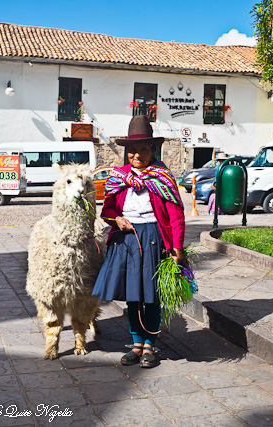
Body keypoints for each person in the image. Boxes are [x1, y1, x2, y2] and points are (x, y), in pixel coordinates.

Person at [92, 115, 186, 368]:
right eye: (132, 150)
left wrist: (177, 248)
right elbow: (107, 211)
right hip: (126, 241)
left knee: (152, 296)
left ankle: (150, 346)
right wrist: (117, 219)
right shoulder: (117, 178)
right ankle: (135, 345)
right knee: (133, 297)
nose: (136, 155)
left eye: (142, 150)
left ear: (152, 150)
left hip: (155, 239)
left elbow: (176, 216)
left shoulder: (162, 177)